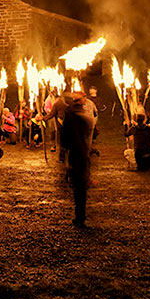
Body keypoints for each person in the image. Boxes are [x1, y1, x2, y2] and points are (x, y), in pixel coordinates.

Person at [59, 91, 96, 227]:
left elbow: (64, 139)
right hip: (80, 153)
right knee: (80, 187)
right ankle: (80, 214)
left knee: (79, 187)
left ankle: (80, 216)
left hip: (77, 153)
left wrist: (65, 152)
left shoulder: (73, 119)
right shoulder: (81, 118)